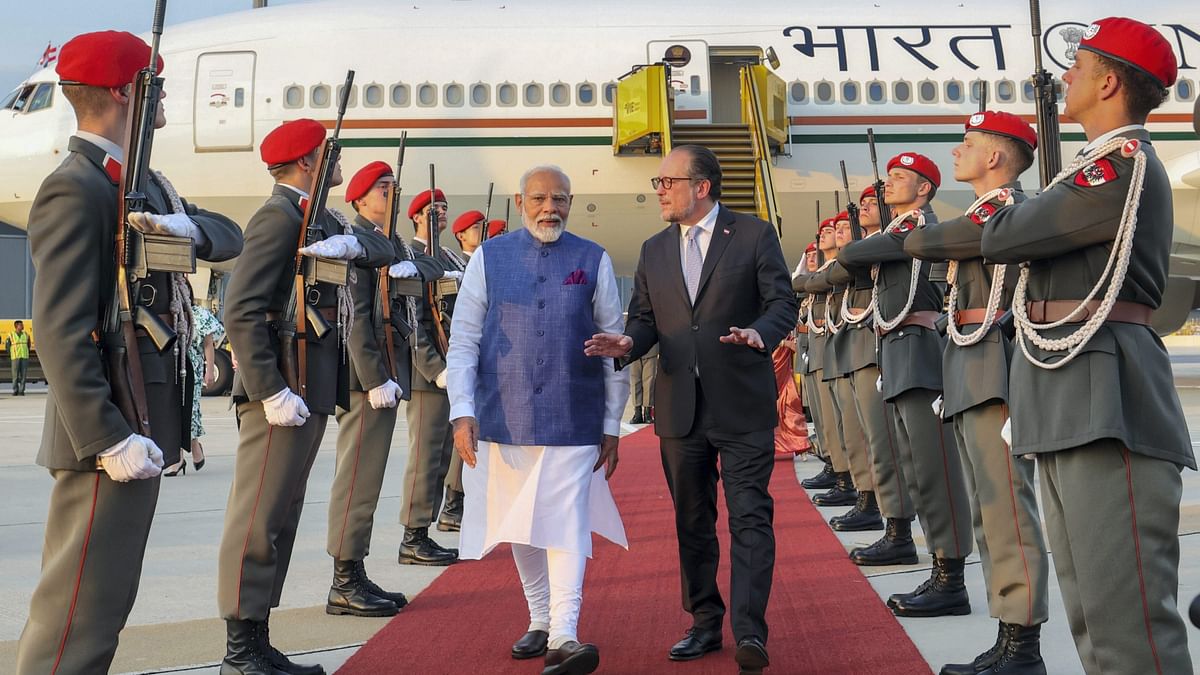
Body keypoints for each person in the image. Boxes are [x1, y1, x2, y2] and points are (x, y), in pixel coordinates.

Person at [15, 30, 243, 674]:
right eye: (157, 86)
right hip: (106, 444)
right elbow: (58, 330)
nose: (165, 99)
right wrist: (109, 438)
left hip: (138, 431)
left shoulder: (143, 186)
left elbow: (231, 238)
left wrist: (186, 228)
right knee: (74, 619)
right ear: (125, 92)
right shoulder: (76, 188)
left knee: (104, 609)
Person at [982, 18, 1194, 674]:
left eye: (1079, 67)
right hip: (1068, 389)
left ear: (1109, 82)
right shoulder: (1090, 169)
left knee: (1125, 621)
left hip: (1107, 397)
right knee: (1091, 616)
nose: (1064, 77)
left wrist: (1001, 211)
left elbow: (1001, 237)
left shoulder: (1117, 166)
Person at [586, 144, 797, 675]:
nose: (658, 190)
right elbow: (645, 319)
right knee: (692, 520)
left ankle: (751, 632)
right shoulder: (655, 249)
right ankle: (705, 622)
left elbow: (782, 304)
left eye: (667, 182)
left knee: (750, 516)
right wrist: (628, 344)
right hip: (680, 408)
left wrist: (760, 333)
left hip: (742, 404)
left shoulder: (752, 235)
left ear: (701, 187)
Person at [216, 118, 392, 675]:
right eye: (329, 154)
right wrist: (269, 390)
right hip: (281, 394)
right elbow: (239, 308)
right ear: (308, 164)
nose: (336, 162)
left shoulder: (313, 219)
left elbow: (379, 248)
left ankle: (258, 639)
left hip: (306, 390)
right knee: (258, 520)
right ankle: (239, 653)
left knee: (282, 518)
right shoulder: (278, 219)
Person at [449, 164, 628, 675]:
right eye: (539, 198)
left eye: (560, 199)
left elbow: (613, 345)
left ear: (571, 202)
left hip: (575, 414)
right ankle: (541, 619)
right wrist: (462, 412)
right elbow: (463, 340)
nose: (550, 207)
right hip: (502, 415)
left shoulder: (593, 259)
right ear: (519, 200)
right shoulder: (488, 257)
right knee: (519, 523)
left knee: (566, 520)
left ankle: (566, 635)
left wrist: (612, 423)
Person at [905, 110, 1051, 673]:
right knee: (990, 511)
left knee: (1008, 510)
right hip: (970, 366)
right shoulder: (984, 212)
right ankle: (1007, 632)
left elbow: (926, 242)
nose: (955, 153)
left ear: (995, 157)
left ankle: (1023, 645)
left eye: (967, 144)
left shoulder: (1005, 210)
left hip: (996, 371)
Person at [839, 152, 974, 617]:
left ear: (923, 190)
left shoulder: (914, 229)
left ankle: (950, 577)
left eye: (900, 177)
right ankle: (937, 566)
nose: (887, 183)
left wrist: (868, 245)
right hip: (897, 348)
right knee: (914, 466)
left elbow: (851, 255)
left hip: (918, 349)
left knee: (935, 469)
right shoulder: (898, 232)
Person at [325, 160, 445, 618]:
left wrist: (410, 264)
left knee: (369, 479)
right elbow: (353, 315)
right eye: (382, 188)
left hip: (388, 372)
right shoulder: (358, 241)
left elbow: (430, 267)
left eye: (395, 186)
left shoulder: (389, 243)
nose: (391, 194)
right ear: (359, 200)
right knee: (357, 477)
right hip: (366, 379)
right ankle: (343, 580)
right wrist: (375, 378)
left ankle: (355, 570)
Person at [399, 187, 465, 562]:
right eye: (432, 209)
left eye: (443, 208)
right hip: (429, 375)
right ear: (415, 217)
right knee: (425, 457)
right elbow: (413, 320)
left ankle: (424, 529)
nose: (440, 213)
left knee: (440, 457)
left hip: (450, 368)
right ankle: (412, 536)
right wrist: (436, 369)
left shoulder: (445, 257)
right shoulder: (412, 256)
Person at [806, 211, 880, 531]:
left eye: (840, 228)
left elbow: (817, 281)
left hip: (862, 352)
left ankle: (868, 498)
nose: (833, 234)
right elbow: (811, 281)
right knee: (841, 426)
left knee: (864, 433)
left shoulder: (868, 252)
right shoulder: (846, 261)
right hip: (839, 352)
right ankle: (845, 479)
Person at [437, 208, 503, 532]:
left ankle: (455, 502)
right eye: (478, 228)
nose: (485, 233)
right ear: (462, 234)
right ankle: (449, 507)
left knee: (461, 446)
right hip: (450, 365)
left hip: (479, 364)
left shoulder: (479, 265)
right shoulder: (453, 264)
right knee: (438, 453)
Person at [168, 299, 224, 476]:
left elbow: (208, 344)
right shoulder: (169, 313)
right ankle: (180, 456)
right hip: (172, 365)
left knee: (190, 410)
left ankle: (190, 448)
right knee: (173, 411)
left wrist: (209, 371)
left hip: (193, 366)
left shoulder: (198, 314)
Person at [627, 344, 658, 424]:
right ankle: (637, 413)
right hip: (634, 348)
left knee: (649, 381)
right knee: (635, 381)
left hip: (651, 348)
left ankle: (648, 412)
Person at [7, 320, 31, 396]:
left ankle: (21, 391)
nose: (22, 326)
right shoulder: (11, 335)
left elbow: (28, 345)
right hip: (15, 357)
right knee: (15, 375)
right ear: (16, 326)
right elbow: (7, 346)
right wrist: (11, 354)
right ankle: (15, 390)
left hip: (24, 357)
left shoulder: (26, 335)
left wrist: (26, 352)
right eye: (21, 325)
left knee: (23, 375)